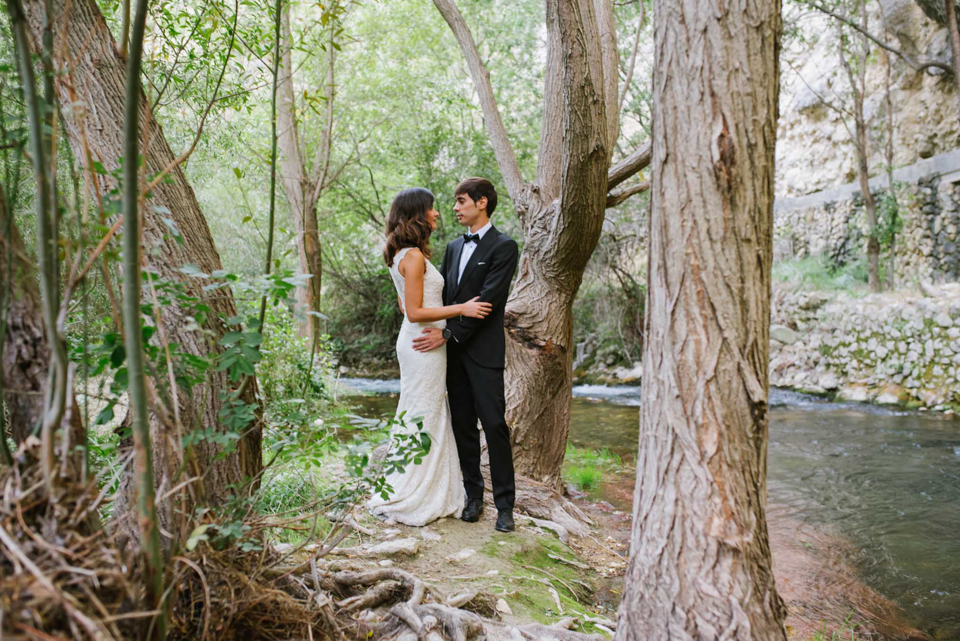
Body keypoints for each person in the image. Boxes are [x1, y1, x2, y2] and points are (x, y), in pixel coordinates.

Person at [367, 187, 492, 526]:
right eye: (433, 209)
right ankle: (414, 491)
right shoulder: (414, 256)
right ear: (417, 214)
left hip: (419, 341)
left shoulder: (401, 253)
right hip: (424, 342)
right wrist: (463, 308)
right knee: (423, 410)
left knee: (422, 409)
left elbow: (404, 303)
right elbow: (415, 312)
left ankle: (428, 483)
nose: (438, 214)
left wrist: (435, 318)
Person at [412, 177, 519, 533]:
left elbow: (486, 302)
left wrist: (448, 333)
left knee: (495, 427)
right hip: (452, 357)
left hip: (484, 354)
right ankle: (474, 498)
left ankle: (506, 507)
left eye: (461, 201)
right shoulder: (453, 247)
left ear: (482, 202)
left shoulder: (505, 247)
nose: (455, 209)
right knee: (462, 428)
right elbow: (446, 300)